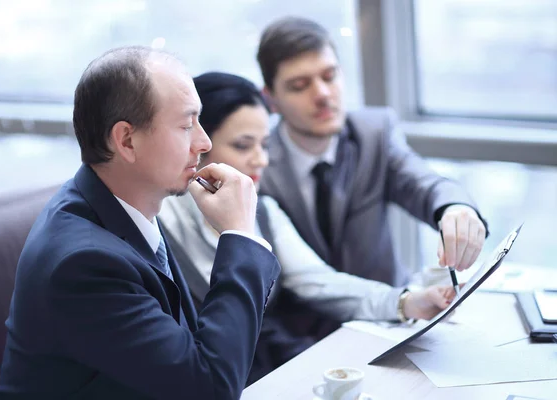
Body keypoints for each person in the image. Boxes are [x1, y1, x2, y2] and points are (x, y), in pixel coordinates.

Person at [0, 47, 281, 400]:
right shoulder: (82, 264)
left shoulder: (125, 205)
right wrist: (239, 236)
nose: (204, 143)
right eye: (187, 125)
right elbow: (210, 388)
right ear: (127, 140)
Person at [158, 72, 461, 383]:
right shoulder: (160, 224)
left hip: (275, 374)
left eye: (264, 144)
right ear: (198, 145)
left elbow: (318, 282)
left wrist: (407, 301)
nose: (261, 160)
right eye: (243, 145)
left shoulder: (264, 210)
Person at [257, 16, 488, 288]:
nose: (322, 93)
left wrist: (455, 208)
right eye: (299, 85)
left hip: (391, 320)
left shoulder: (373, 133)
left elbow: (424, 184)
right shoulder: (257, 162)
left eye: (329, 76)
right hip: (302, 329)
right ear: (271, 99)